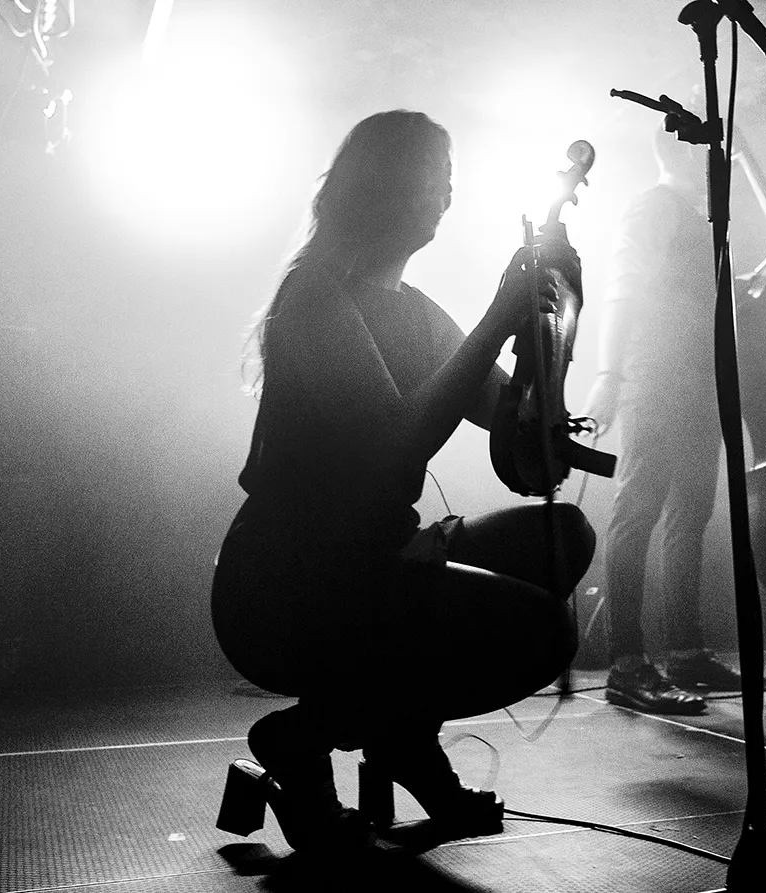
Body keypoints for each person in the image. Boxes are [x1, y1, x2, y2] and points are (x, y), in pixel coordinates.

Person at [210, 110, 595, 855]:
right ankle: (305, 736)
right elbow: (391, 447)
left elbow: (531, 460)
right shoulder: (315, 297)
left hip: (377, 560)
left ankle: (399, 738)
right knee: (543, 630)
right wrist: (497, 317)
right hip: (285, 583)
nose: (445, 198)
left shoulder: (416, 312)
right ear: (377, 188)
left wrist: (553, 330)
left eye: (448, 182)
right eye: (430, 179)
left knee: (562, 536)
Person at [581, 131, 747, 715]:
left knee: (689, 516)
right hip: (654, 377)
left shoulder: (700, 219)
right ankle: (626, 665)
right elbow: (622, 290)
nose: (715, 159)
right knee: (638, 512)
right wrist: (609, 374)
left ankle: (685, 653)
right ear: (682, 151)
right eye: (706, 149)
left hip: (700, 384)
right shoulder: (653, 206)